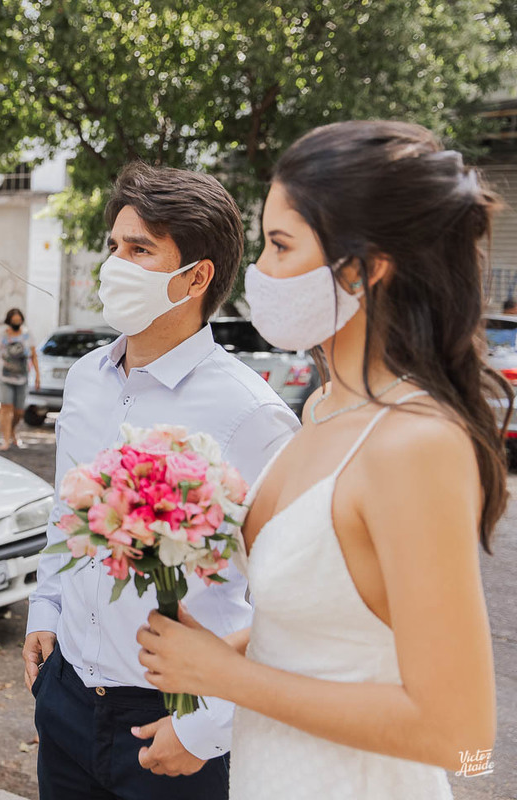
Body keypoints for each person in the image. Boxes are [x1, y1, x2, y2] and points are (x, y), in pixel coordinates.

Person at [137, 120, 505, 799]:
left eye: (281, 245)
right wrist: (214, 659)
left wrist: (225, 678)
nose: (262, 272)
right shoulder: (325, 406)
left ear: (365, 268)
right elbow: (329, 628)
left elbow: (463, 735)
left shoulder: (413, 443)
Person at [22, 162, 300, 800]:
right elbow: (67, 518)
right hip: (65, 702)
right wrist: (46, 611)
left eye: (140, 250)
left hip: (175, 720)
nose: (114, 265)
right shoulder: (88, 378)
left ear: (196, 277)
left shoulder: (250, 415)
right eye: (114, 246)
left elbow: (288, 604)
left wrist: (207, 729)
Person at [0, 307, 41, 450]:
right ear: (9, 321)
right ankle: (6, 439)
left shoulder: (27, 334)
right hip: (3, 377)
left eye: (19, 320)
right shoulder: (1, 335)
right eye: (14, 320)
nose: (17, 322)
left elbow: (33, 356)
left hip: (22, 377)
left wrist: (38, 375)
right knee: (6, 407)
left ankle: (12, 431)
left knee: (19, 411)